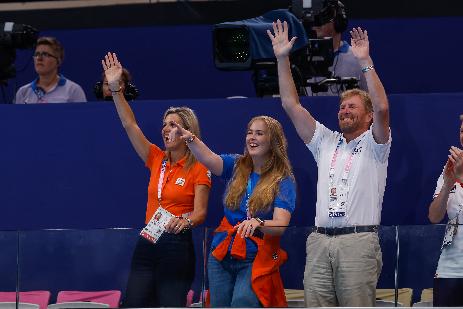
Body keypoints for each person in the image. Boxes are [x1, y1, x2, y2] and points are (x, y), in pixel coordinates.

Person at [268, 20, 391, 306]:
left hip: (358, 242)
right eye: (342, 106)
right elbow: (290, 105)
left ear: (368, 116)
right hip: (320, 241)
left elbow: (383, 107)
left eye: (352, 107)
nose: (345, 110)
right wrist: (282, 58)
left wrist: (365, 61)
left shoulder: (376, 145)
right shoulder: (325, 140)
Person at [101, 52, 211, 307]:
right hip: (148, 239)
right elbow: (130, 124)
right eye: (164, 124)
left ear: (186, 132)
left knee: (169, 304)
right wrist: (116, 89)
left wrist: (182, 221)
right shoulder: (156, 158)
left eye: (173, 124)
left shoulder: (199, 167)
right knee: (135, 303)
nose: (165, 129)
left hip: (176, 244)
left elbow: (200, 213)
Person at [170, 115, 296, 307]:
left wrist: (259, 223)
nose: (252, 137)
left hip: (254, 257)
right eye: (249, 132)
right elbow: (209, 158)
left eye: (259, 133)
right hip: (221, 254)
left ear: (273, 141)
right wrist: (190, 138)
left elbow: (280, 224)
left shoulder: (283, 180)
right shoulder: (237, 164)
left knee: (242, 303)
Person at [428, 117, 463, 306]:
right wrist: (448, 184)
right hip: (450, 268)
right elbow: (434, 216)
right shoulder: (449, 166)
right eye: (462, 131)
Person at [306, 0, 367, 96]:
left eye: (323, 16)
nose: (315, 22)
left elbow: (371, 101)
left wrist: (367, 63)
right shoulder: (301, 59)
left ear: (339, 22)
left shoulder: (357, 58)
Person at [15, 36, 86, 104]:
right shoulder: (23, 92)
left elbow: (82, 116)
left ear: (58, 61)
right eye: (36, 54)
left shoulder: (73, 90)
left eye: (45, 54)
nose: (39, 58)